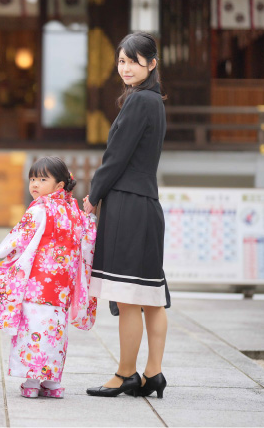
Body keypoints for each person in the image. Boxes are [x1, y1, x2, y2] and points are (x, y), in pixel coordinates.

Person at [83, 32, 170, 399]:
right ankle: (153, 374)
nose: (126, 67)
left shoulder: (138, 103)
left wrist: (93, 196)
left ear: (152, 63)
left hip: (128, 206)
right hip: (147, 205)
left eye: (133, 60)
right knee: (151, 294)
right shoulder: (154, 102)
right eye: (121, 61)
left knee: (130, 295)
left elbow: (115, 158)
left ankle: (125, 374)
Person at [0, 156, 98, 399]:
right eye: (32, 179)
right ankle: (52, 383)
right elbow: (88, 238)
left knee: (32, 327)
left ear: (60, 185)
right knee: (55, 331)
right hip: (62, 285)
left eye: (42, 179)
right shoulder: (73, 211)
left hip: (37, 282)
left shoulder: (40, 208)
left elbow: (20, 235)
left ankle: (31, 383)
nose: (35, 184)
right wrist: (91, 216)